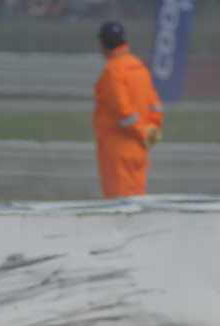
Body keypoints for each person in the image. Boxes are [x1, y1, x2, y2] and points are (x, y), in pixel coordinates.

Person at [92, 21, 164, 199]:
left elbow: (123, 112)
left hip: (118, 150)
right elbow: (155, 106)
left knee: (118, 207)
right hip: (140, 149)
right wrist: (150, 132)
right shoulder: (139, 68)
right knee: (138, 202)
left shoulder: (112, 71)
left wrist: (140, 131)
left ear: (103, 44)